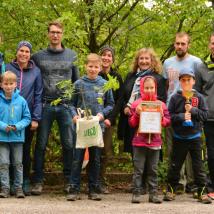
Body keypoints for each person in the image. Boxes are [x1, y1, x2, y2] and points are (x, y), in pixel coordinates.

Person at [31, 20, 79, 195]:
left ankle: (68, 180)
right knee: (41, 145)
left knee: (68, 144)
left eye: (58, 32)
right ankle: (37, 181)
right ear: (48, 34)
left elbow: (76, 83)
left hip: (66, 106)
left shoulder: (72, 56)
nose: (55, 35)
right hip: (45, 105)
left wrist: (75, 107)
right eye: (52, 32)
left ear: (62, 34)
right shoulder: (37, 57)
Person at [67, 53, 114, 201]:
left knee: (95, 158)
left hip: (97, 127)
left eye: (96, 67)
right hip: (81, 127)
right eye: (90, 66)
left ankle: (93, 188)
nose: (93, 69)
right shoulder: (78, 84)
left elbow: (110, 104)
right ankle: (74, 188)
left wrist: (102, 115)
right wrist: (73, 115)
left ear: (100, 68)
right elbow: (70, 104)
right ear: (85, 67)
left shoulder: (104, 84)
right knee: (77, 158)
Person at [164, 68, 212, 204]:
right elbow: (170, 117)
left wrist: (193, 110)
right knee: (175, 166)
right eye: (183, 80)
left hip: (195, 137)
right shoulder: (174, 98)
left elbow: (205, 115)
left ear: (194, 81)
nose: (186, 82)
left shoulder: (199, 97)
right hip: (179, 138)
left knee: (199, 167)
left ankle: (201, 192)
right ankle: (171, 190)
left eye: (188, 80)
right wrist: (181, 116)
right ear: (180, 81)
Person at [163, 32, 202, 193]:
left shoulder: (196, 62)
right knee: (173, 148)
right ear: (174, 44)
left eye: (183, 44)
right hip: (171, 110)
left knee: (191, 149)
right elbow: (166, 86)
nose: (180, 46)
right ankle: (177, 183)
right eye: (177, 43)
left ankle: (193, 184)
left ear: (188, 45)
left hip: (191, 110)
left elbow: (200, 86)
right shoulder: (167, 63)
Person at [6, 41, 43, 195]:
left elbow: (38, 95)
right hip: (7, 117)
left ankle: (23, 181)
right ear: (16, 52)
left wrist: (36, 118)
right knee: (5, 150)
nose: (23, 54)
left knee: (25, 150)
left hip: (26, 119)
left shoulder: (36, 72)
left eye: (27, 51)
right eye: (21, 50)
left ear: (30, 54)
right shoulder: (7, 68)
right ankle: (6, 182)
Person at [129, 76, 170, 203]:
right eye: (146, 88)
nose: (149, 90)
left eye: (152, 88)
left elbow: (167, 122)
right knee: (138, 169)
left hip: (155, 142)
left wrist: (162, 117)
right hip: (139, 142)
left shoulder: (161, 105)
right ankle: (136, 193)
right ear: (142, 88)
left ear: (155, 88)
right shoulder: (137, 104)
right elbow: (131, 123)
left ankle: (153, 194)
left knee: (153, 169)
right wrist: (136, 113)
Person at [118, 48, 167, 154]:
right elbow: (122, 97)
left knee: (150, 153)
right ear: (137, 61)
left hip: (150, 121)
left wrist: (146, 110)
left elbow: (162, 100)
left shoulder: (158, 79)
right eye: (141, 58)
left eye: (147, 58)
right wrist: (125, 107)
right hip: (132, 120)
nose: (144, 61)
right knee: (135, 153)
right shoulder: (130, 76)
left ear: (152, 61)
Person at [0, 71, 31, 198]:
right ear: (1, 85)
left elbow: (27, 118)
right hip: (2, 138)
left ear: (16, 85)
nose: (8, 86)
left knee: (18, 163)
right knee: (3, 163)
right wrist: (3, 126)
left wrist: (17, 126)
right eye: (6, 84)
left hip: (17, 137)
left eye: (11, 83)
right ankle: (5, 188)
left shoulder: (21, 101)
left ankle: (18, 188)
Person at [98, 45, 123, 193]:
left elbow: (119, 100)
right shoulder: (94, 73)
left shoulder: (116, 77)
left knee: (105, 151)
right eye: (104, 55)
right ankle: (92, 180)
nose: (106, 58)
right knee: (93, 149)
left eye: (109, 56)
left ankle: (101, 180)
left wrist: (111, 118)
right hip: (93, 119)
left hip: (108, 121)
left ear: (112, 60)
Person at [195, 33, 214, 199]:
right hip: (209, 118)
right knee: (211, 154)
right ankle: (211, 186)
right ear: (209, 45)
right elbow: (197, 94)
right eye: (213, 43)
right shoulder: (201, 67)